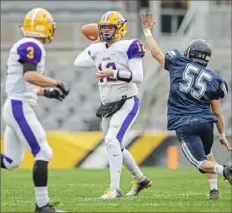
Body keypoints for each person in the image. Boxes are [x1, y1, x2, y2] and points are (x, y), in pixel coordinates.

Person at [141, 12, 232, 200]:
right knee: (208, 154)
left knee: (200, 163)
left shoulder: (178, 62)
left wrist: (147, 31)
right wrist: (222, 135)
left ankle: (225, 170)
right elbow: (217, 111)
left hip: (185, 122)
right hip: (206, 123)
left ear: (189, 52)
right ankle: (214, 190)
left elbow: (157, 54)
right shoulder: (214, 79)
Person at [74, 11, 152, 199]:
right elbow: (78, 62)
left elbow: (139, 77)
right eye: (104, 28)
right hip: (108, 104)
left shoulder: (129, 45)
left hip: (127, 100)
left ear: (121, 28)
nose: (107, 31)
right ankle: (140, 179)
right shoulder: (98, 48)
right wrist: (95, 43)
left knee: (111, 140)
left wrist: (115, 72)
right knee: (115, 144)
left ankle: (114, 189)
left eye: (111, 27)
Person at [1, 8, 70, 212]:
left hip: (16, 103)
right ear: (45, 27)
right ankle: (42, 205)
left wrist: (46, 92)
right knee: (43, 152)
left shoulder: (28, 44)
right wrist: (56, 82)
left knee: (11, 162)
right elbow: (29, 76)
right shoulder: (32, 45)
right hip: (18, 106)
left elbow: (25, 83)